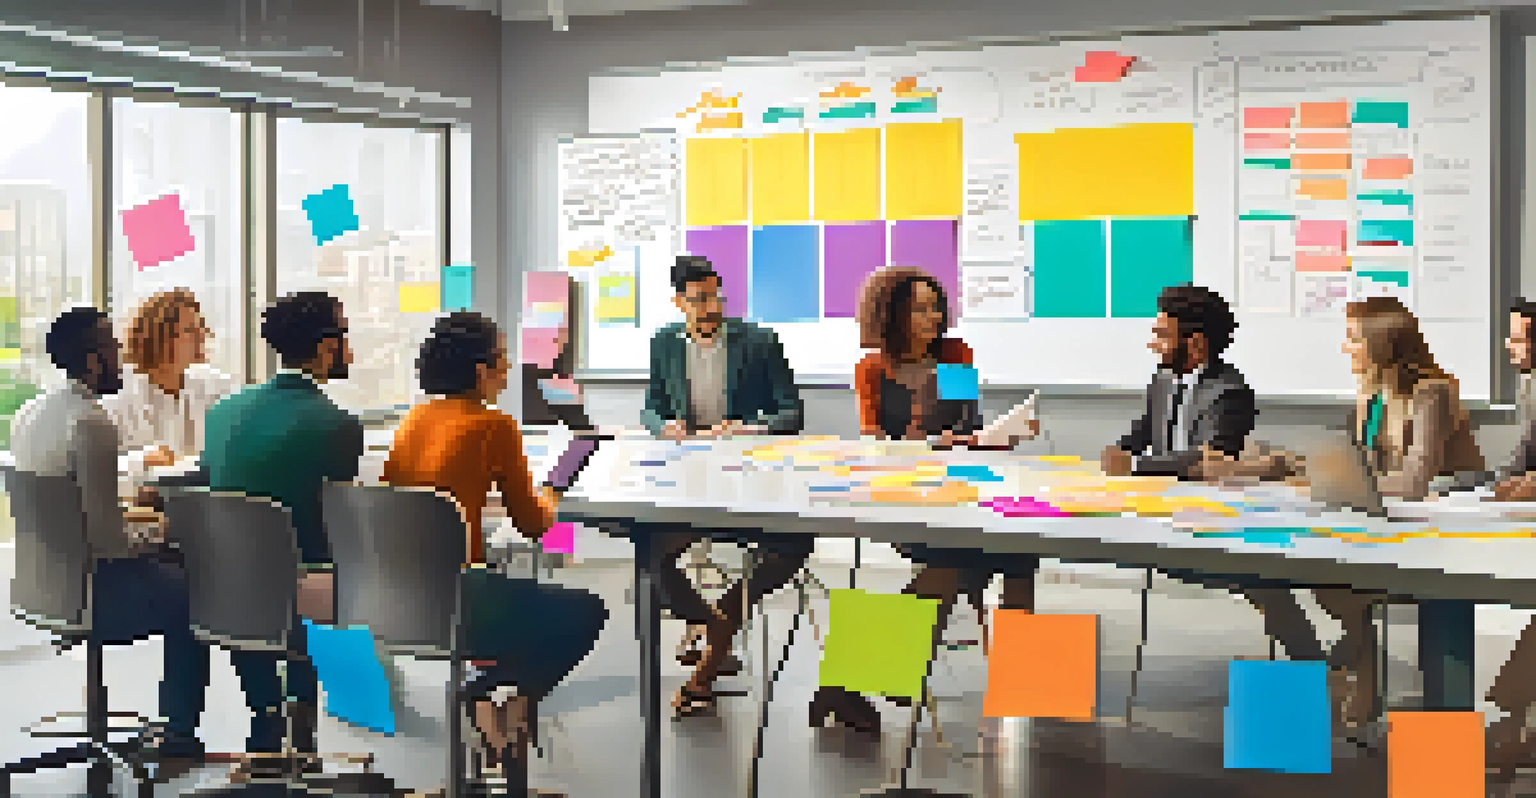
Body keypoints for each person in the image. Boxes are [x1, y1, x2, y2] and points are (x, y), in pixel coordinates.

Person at [1100, 285, 1351, 718]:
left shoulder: (1230, 392)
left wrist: (1138, 467)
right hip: (1159, 511)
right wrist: (1119, 453)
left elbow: (1208, 459)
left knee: (1262, 581)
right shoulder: (1162, 380)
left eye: (1162, 335)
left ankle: (1317, 669)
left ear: (1194, 343)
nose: (1152, 343)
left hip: (1215, 518)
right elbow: (1143, 434)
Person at [808, 266, 1038, 735]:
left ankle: (1018, 687)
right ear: (892, 314)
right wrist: (923, 441)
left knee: (1019, 552)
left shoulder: (955, 356)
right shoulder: (872, 369)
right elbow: (874, 442)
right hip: (905, 500)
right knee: (961, 564)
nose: (933, 317)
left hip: (960, 492)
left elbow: (971, 423)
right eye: (920, 308)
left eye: (935, 306)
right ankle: (862, 673)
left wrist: (994, 437)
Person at [386, 311, 608, 772]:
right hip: (464, 597)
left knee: (509, 599)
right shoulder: (494, 425)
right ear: (479, 370)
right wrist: (554, 489)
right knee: (584, 611)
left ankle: (486, 703)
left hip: (400, 597)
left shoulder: (410, 422)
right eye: (502, 360)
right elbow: (533, 525)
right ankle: (503, 700)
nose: (508, 370)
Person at [10, 307, 210, 764]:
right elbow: (108, 543)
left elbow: (76, 513)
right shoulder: (91, 423)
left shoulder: (30, 412)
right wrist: (161, 533)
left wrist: (135, 530)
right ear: (93, 360)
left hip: (41, 589)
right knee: (194, 597)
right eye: (112, 348)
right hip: (92, 592)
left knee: (167, 570)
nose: (120, 356)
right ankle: (178, 733)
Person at [640, 255, 814, 717]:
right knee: (651, 551)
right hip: (690, 476)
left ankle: (713, 637)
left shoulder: (759, 342)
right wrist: (664, 427)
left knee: (793, 549)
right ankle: (715, 624)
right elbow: (651, 407)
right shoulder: (663, 344)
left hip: (753, 476)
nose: (711, 307)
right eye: (699, 299)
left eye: (716, 296)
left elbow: (791, 413)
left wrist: (746, 428)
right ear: (679, 302)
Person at [200, 292, 365, 770]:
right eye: (344, 336)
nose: (348, 348)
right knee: (315, 572)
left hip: (226, 591)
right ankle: (301, 718)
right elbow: (337, 525)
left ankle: (267, 716)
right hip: (307, 591)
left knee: (257, 580)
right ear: (325, 349)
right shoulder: (337, 425)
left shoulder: (223, 413)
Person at [1308, 296, 1485, 732]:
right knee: (1328, 576)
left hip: (1450, 526)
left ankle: (1412, 706)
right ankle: (1364, 667)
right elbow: (1362, 462)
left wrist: (1363, 483)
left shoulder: (1432, 393)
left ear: (1383, 343)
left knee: (1358, 582)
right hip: (1394, 518)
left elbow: (1414, 479)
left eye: (1354, 339)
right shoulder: (1371, 393)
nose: (1346, 349)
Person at [102, 289, 236, 489]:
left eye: (202, 328)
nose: (203, 336)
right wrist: (143, 459)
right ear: (157, 338)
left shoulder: (218, 388)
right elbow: (99, 468)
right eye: (190, 330)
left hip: (201, 503)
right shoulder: (116, 399)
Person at [1486, 299, 1536, 773]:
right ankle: (1512, 719)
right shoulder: (1530, 388)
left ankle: (1511, 720)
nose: (1509, 345)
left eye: (1519, 337)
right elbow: (1521, 461)